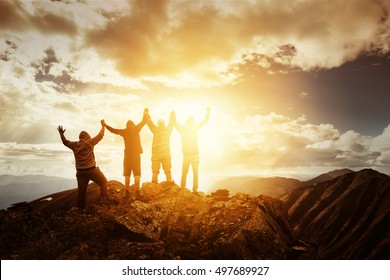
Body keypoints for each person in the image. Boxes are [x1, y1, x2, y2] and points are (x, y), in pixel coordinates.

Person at [57, 120, 108, 209]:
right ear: (87, 137)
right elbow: (100, 136)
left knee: (81, 193)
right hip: (92, 170)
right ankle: (103, 201)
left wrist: (61, 134)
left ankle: (81, 210)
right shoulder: (90, 142)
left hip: (80, 172)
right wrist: (103, 126)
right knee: (103, 182)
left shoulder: (74, 145)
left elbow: (65, 142)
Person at [103, 108, 149, 191]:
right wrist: (145, 113)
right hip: (136, 155)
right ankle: (137, 191)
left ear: (127, 125)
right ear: (133, 125)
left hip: (127, 156)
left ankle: (127, 191)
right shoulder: (136, 129)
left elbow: (114, 130)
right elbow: (143, 122)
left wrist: (105, 125)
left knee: (127, 175)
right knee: (137, 175)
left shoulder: (125, 131)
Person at [173, 108, 210, 193]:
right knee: (195, 172)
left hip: (187, 155)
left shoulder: (183, 129)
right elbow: (205, 121)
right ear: (193, 122)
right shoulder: (195, 128)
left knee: (185, 172)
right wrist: (208, 112)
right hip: (194, 155)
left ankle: (183, 188)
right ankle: (194, 189)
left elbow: (175, 123)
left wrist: (173, 114)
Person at [147, 111, 175, 183]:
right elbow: (171, 124)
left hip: (156, 154)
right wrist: (172, 115)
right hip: (166, 154)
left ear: (158, 124)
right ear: (164, 124)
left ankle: (154, 183)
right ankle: (169, 182)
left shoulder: (155, 129)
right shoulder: (167, 130)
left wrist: (147, 114)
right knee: (168, 170)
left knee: (155, 171)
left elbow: (149, 123)